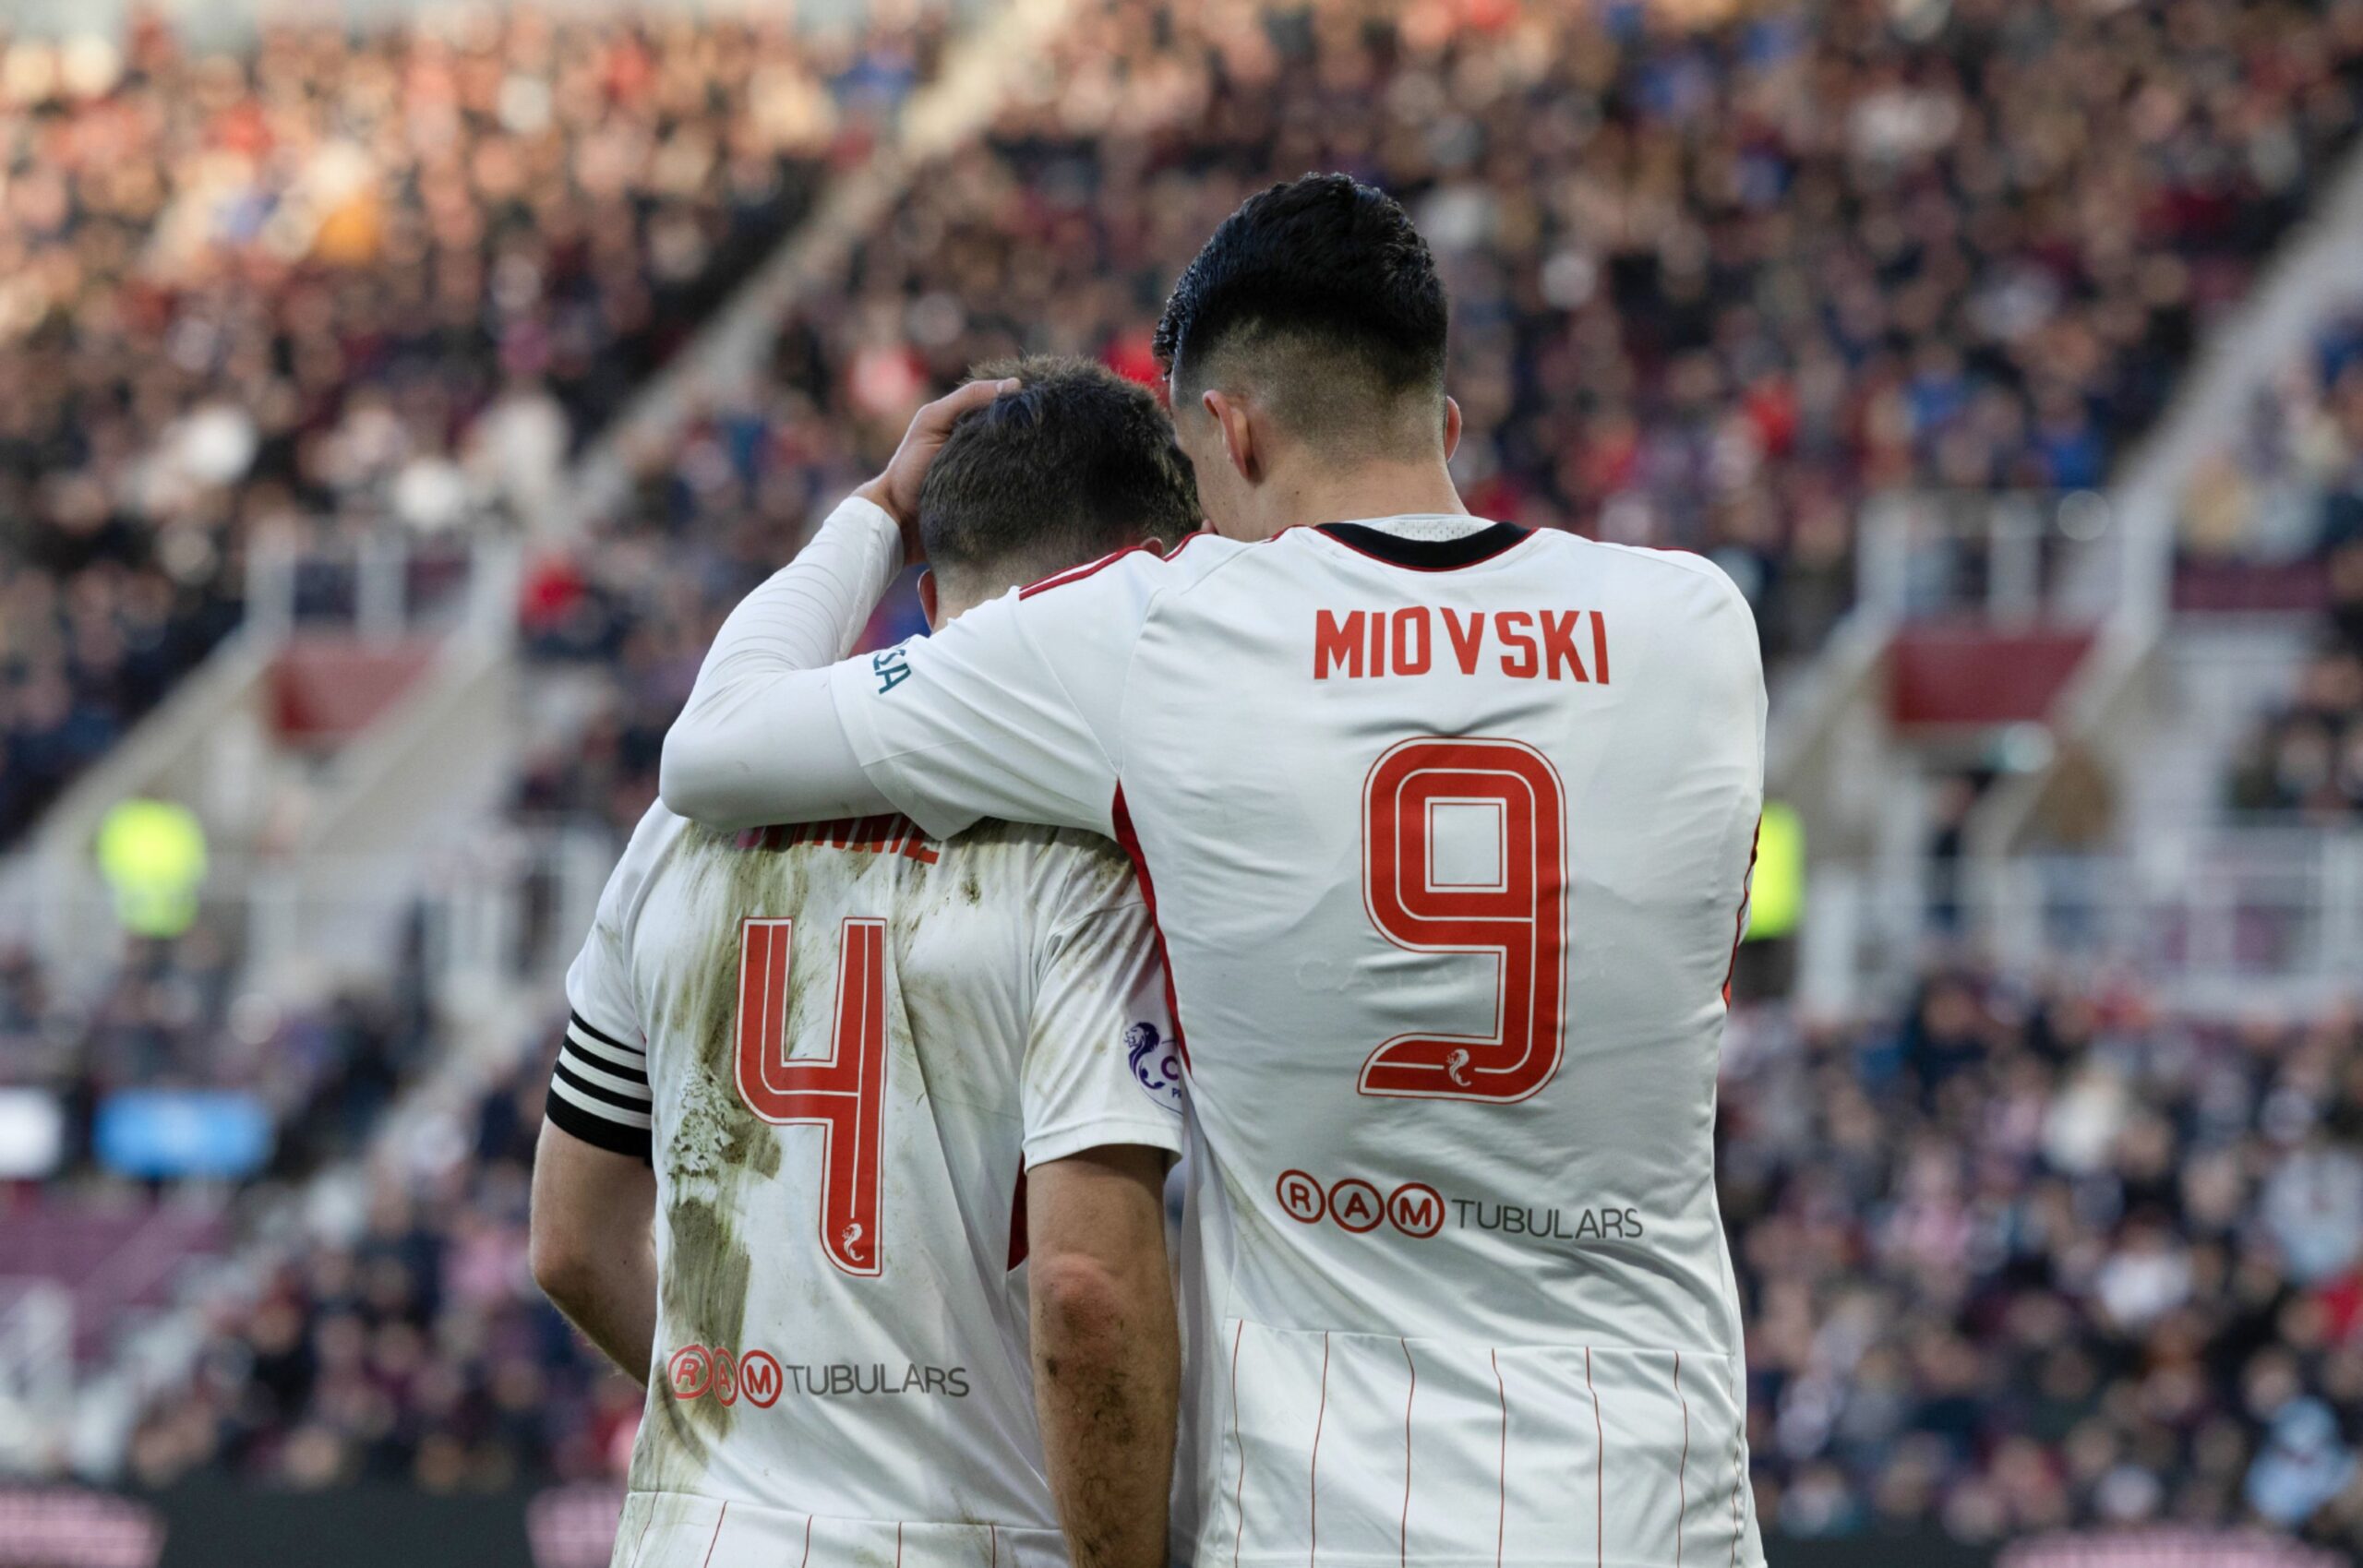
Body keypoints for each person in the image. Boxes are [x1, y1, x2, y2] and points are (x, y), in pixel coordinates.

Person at [659, 174, 1769, 1567]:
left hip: (1331, 1516)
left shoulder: (1160, 630)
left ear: (1227, 430)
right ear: (1444, 422)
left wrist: (878, 512)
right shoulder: (1698, 625)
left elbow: (713, 746)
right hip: (1653, 1501)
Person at [530, 359, 1203, 1568]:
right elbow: (1086, 1294)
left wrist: (763, 1438)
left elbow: (572, 1243)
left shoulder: (681, 828)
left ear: (931, 593)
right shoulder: (1102, 858)